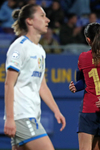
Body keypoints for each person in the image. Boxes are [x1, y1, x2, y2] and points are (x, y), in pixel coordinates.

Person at [4, 4, 66, 150]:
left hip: (31, 115)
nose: (48, 20)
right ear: (29, 21)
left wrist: (56, 110)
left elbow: (42, 86)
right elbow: (8, 84)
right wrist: (10, 118)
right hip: (22, 115)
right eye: (43, 16)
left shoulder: (39, 50)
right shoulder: (19, 46)